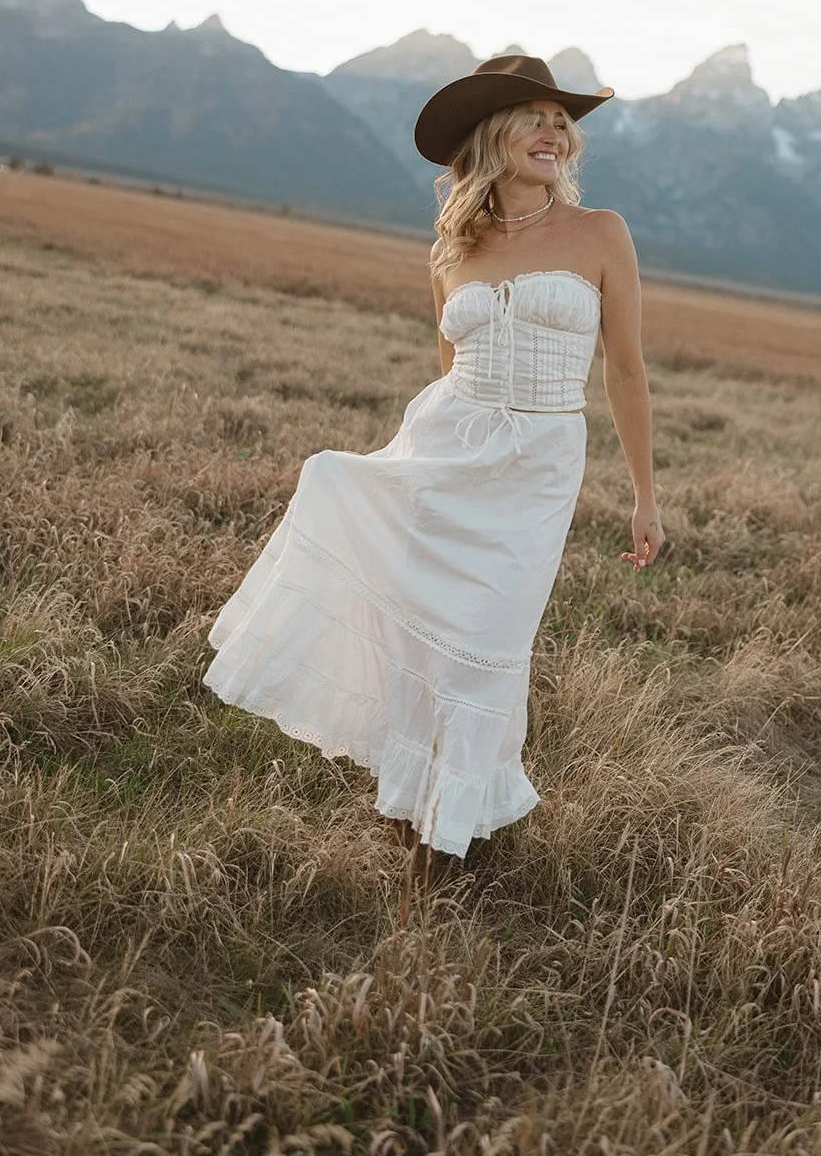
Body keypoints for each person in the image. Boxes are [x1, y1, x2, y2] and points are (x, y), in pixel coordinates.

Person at [202, 54, 664, 865]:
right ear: (493, 135)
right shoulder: (453, 244)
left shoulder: (601, 234)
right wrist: (422, 468)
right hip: (447, 447)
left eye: (562, 121)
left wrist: (643, 497)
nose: (554, 131)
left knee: (488, 638)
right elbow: (446, 369)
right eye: (536, 116)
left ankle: (450, 828)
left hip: (540, 464)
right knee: (412, 636)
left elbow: (624, 369)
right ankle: (405, 817)